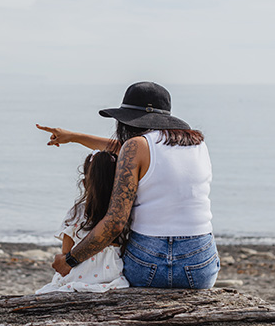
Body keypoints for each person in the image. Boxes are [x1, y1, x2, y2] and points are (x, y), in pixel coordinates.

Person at [37, 81, 220, 289]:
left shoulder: (136, 147)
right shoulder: (198, 144)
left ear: (128, 121)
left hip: (147, 268)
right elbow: (125, 149)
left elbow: (115, 223)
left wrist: (69, 261)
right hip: (199, 270)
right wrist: (75, 137)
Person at [36, 150, 130, 294]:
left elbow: (66, 252)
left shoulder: (77, 212)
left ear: (85, 183)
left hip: (77, 278)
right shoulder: (125, 215)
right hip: (111, 281)